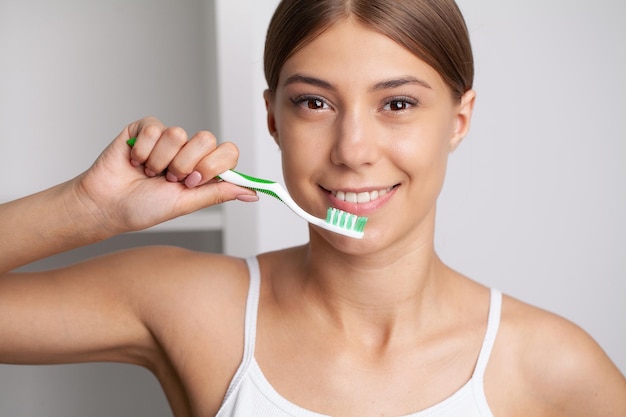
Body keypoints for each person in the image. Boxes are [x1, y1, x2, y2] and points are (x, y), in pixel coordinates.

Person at [1, 0, 624, 416]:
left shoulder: (554, 367)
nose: (353, 150)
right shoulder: (189, 304)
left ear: (458, 120)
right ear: (273, 118)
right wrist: (88, 209)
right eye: (315, 104)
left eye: (398, 104)